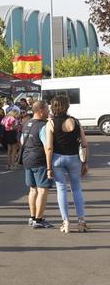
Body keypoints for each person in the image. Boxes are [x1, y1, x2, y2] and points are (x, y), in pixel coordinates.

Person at [44, 96, 89, 234]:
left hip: (57, 158)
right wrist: (85, 162)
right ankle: (81, 221)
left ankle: (66, 222)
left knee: (61, 189)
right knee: (76, 189)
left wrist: (49, 167)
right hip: (74, 158)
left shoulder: (50, 123)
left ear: (53, 107)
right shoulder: (75, 122)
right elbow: (85, 143)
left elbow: (49, 147)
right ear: (67, 106)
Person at [21, 101, 53, 229]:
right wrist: (50, 166)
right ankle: (39, 220)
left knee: (32, 189)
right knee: (42, 190)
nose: (48, 112)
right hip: (39, 159)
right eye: (46, 109)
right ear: (40, 110)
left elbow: (22, 141)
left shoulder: (26, 124)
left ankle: (32, 216)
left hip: (27, 158)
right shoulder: (43, 126)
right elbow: (48, 147)